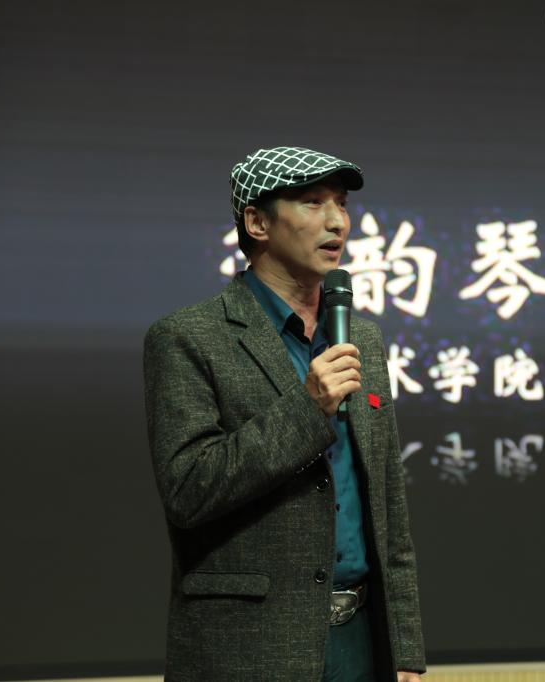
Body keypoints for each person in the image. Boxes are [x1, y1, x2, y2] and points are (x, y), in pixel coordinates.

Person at [143, 146, 426, 681]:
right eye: (313, 202)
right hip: (249, 647)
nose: (337, 221)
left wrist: (405, 648)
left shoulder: (361, 338)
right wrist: (307, 408)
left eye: (341, 204)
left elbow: (388, 503)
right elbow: (188, 489)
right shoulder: (188, 337)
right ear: (257, 223)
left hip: (363, 640)